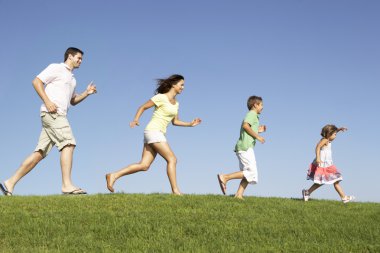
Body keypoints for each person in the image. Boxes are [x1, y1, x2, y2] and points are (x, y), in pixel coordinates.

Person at [0, 47, 97, 196]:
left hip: (57, 116)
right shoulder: (56, 68)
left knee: (39, 153)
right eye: (79, 58)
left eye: (82, 59)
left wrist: (86, 93)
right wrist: (48, 101)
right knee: (68, 143)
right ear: (70, 56)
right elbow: (36, 82)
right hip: (53, 113)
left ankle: (9, 183)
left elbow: (73, 101)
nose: (80, 61)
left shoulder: (72, 79)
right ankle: (67, 185)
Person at [106, 74, 201, 195]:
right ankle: (175, 190)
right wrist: (136, 119)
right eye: (181, 85)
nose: (183, 87)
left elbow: (175, 121)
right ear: (173, 84)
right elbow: (143, 107)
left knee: (144, 165)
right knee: (172, 159)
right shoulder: (161, 97)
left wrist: (190, 124)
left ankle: (113, 175)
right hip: (153, 131)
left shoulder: (176, 103)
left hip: (155, 133)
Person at [217, 96, 266, 200]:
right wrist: (258, 136)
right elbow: (245, 126)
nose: (263, 107)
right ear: (255, 105)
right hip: (245, 147)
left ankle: (239, 195)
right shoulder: (252, 114)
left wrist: (258, 130)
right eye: (261, 105)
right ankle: (225, 177)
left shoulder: (254, 116)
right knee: (251, 172)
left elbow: (248, 129)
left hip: (245, 147)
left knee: (249, 173)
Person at [302, 124, 354, 203]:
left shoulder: (327, 140)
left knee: (330, 181)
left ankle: (307, 192)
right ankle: (344, 198)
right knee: (335, 180)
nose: (335, 136)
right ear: (329, 134)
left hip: (327, 165)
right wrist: (318, 158)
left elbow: (331, 134)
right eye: (335, 134)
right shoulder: (325, 140)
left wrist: (339, 129)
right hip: (325, 165)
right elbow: (317, 147)